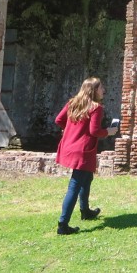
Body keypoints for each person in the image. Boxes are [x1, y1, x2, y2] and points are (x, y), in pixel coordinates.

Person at [54, 77, 118, 235]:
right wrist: (108, 132)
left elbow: (59, 120)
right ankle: (63, 224)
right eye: (101, 87)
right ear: (93, 90)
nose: (103, 90)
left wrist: (71, 131)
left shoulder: (73, 102)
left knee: (87, 177)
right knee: (74, 185)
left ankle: (85, 211)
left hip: (70, 146)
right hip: (83, 150)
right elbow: (94, 131)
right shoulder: (96, 107)